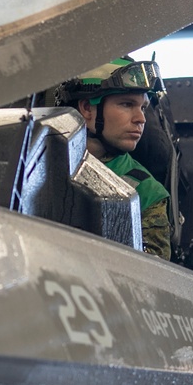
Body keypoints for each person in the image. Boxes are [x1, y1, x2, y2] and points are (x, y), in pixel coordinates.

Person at [55, 57, 172, 260]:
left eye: (143, 107)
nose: (141, 119)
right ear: (87, 108)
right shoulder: (34, 165)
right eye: (127, 104)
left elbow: (151, 271)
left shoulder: (147, 192)